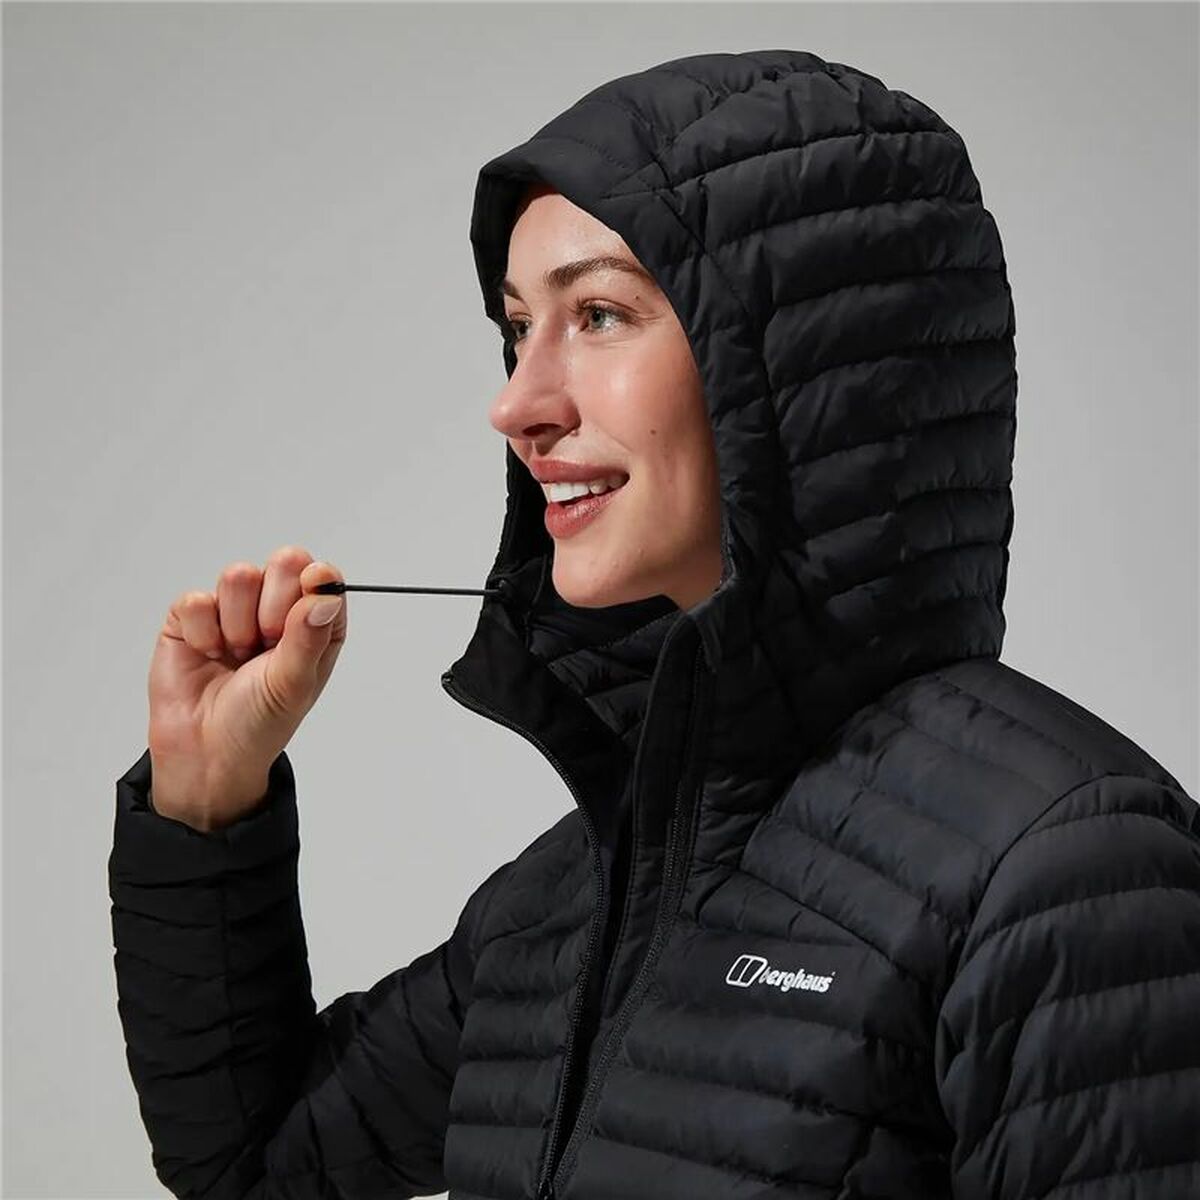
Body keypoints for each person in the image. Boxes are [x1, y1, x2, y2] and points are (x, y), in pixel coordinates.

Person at [109, 47, 1200, 1200]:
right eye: (517, 327)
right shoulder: (569, 902)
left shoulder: (1070, 871)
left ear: (797, 367)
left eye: (599, 313)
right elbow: (255, 1163)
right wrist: (205, 797)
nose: (517, 403)